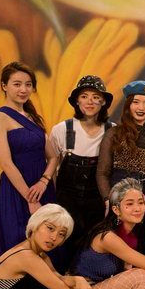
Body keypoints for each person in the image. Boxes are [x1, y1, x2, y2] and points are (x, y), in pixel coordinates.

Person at [0, 62, 56, 255]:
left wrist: (44, 182)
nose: (23, 90)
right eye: (17, 84)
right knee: (19, 243)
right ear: (4, 86)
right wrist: (30, 198)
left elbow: (53, 157)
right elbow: (6, 163)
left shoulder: (33, 117)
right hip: (17, 189)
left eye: (28, 84)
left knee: (47, 243)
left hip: (42, 188)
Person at [49, 75, 114, 273]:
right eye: (84, 96)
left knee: (91, 243)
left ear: (103, 102)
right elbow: (52, 166)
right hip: (67, 199)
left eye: (96, 97)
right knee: (65, 241)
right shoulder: (62, 129)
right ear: (77, 101)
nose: (90, 102)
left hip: (97, 200)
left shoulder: (112, 130)